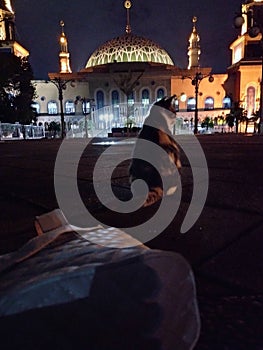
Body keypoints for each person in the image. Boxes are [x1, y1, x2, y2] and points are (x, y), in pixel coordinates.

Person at [129, 95, 181, 207]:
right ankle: (155, 192)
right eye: (172, 113)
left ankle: (148, 193)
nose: (174, 116)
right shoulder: (161, 131)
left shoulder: (147, 127)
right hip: (163, 183)